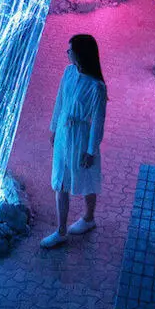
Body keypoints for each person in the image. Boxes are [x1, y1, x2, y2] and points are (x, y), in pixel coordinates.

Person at [41, 33, 107, 249]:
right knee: (60, 180)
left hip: (81, 136)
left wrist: (91, 150)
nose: (67, 54)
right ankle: (61, 231)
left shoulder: (96, 86)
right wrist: (53, 128)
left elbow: (97, 120)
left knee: (86, 177)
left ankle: (89, 218)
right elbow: (60, 100)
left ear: (79, 54)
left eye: (70, 50)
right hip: (63, 132)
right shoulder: (68, 72)